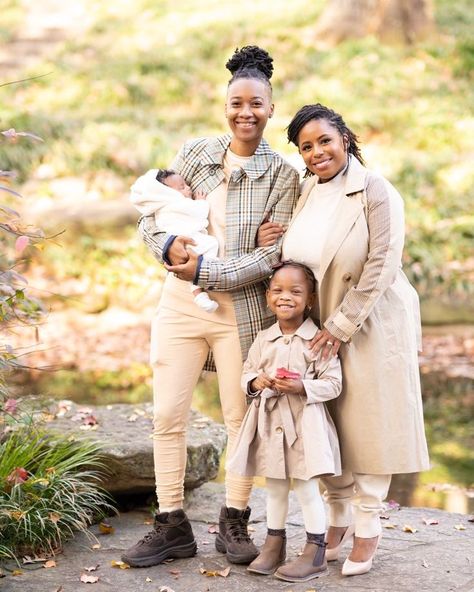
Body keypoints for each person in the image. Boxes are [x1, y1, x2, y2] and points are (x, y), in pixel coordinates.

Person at [121, 46, 300, 568]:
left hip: (240, 315)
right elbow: (152, 216)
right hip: (178, 307)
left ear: (271, 108)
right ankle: (171, 524)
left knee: (240, 418)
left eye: (256, 104)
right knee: (166, 416)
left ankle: (234, 519)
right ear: (226, 105)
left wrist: (209, 271)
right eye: (236, 103)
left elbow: (272, 257)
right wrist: (167, 248)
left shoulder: (283, 176)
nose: (246, 113)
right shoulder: (196, 153)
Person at [258, 103, 430, 576]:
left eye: (324, 141)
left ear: (345, 138)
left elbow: (381, 264)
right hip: (320, 325)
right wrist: (270, 237)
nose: (316, 153)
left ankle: (369, 526)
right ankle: (335, 521)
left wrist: (340, 326)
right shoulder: (307, 190)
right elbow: (299, 255)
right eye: (306, 146)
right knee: (325, 424)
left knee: (370, 426)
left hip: (370, 322)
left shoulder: (376, 190)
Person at [227, 261, 342, 582]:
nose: (285, 297)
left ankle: (315, 551)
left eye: (295, 291)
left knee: (306, 489)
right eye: (277, 290)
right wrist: (256, 381)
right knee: (275, 488)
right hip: (269, 424)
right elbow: (247, 373)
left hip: (305, 428)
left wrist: (302, 386)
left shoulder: (318, 340)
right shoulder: (264, 338)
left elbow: (334, 383)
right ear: (267, 298)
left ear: (310, 299)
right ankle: (274, 545)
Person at [130, 168, 219, 313]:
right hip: (187, 241)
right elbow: (200, 213)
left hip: (179, 248)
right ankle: (209, 276)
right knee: (211, 244)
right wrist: (202, 202)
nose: (189, 188)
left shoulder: (161, 207)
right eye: (182, 187)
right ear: (168, 193)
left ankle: (198, 293)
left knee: (194, 267)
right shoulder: (177, 204)